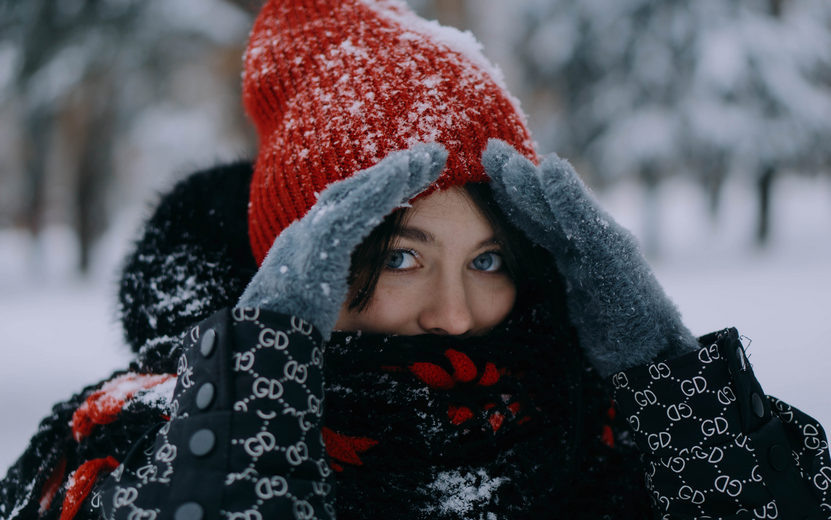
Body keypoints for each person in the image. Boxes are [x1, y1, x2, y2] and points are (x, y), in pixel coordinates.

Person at [2, 0, 829, 519]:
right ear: (304, 261)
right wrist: (256, 377)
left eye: (489, 261)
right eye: (400, 258)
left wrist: (667, 379)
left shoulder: (605, 437)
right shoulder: (139, 441)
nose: (455, 315)